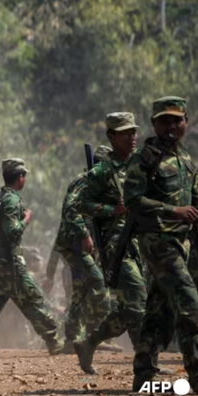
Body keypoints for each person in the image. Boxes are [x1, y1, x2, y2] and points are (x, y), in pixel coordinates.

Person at [123, 97, 198, 391]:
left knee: (159, 310)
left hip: (183, 244)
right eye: (164, 120)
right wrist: (173, 211)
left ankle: (142, 375)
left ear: (185, 122)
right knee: (191, 306)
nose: (171, 126)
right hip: (157, 242)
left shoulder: (188, 160)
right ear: (154, 124)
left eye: (176, 120)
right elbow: (132, 200)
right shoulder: (144, 158)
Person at [0, 158, 64, 358]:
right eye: (24, 175)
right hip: (9, 263)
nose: (25, 179)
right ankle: (54, 340)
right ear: (20, 178)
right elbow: (11, 232)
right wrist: (26, 219)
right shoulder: (11, 200)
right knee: (33, 299)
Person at [73, 113, 149, 373]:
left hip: (140, 245)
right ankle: (145, 366)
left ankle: (89, 342)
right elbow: (79, 204)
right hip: (117, 246)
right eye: (125, 132)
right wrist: (111, 210)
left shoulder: (140, 167)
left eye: (134, 131)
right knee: (137, 301)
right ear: (111, 137)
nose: (132, 137)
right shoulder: (102, 172)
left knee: (128, 309)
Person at [44, 145, 112, 353]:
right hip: (75, 246)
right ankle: (94, 337)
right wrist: (50, 271)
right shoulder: (84, 182)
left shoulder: (100, 187)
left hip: (84, 249)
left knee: (81, 293)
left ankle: (73, 340)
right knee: (98, 286)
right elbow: (70, 212)